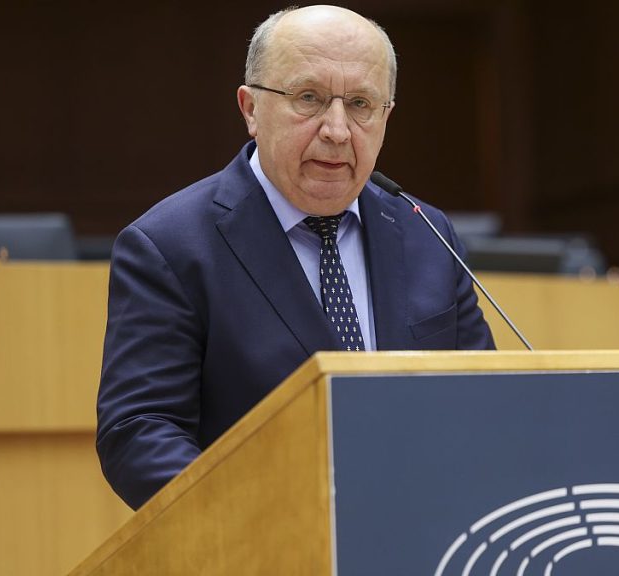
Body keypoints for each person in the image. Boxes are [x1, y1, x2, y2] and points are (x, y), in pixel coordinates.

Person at [96, 5, 495, 510]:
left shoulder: (426, 232)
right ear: (250, 109)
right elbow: (139, 431)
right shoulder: (170, 245)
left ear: (386, 116)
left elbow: (483, 404)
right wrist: (263, 519)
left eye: (360, 104)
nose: (337, 130)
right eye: (309, 98)